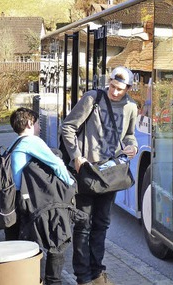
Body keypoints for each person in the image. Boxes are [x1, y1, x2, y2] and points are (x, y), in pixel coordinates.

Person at [61, 66, 138, 285]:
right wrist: (76, 155)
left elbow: (130, 135)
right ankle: (83, 277)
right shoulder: (92, 98)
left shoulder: (131, 106)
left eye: (120, 89)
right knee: (83, 224)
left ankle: (97, 273)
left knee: (102, 224)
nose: (115, 92)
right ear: (109, 82)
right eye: (113, 87)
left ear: (128, 88)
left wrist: (132, 147)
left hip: (110, 174)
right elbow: (67, 127)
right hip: (86, 172)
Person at [6, 107, 76, 285]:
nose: (39, 127)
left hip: (14, 199)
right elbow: (57, 164)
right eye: (37, 123)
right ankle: (52, 281)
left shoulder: (14, 143)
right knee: (57, 238)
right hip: (27, 201)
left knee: (25, 244)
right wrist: (71, 183)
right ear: (30, 123)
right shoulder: (31, 141)